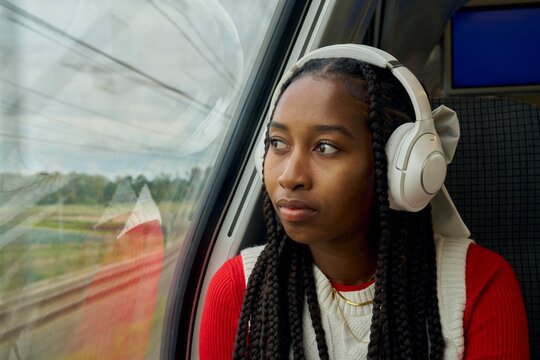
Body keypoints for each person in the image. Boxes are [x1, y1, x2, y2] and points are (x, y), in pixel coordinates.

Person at [199, 44, 529, 359]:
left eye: (325, 147)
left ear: (400, 166)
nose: (289, 175)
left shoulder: (479, 283)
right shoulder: (238, 288)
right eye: (277, 142)